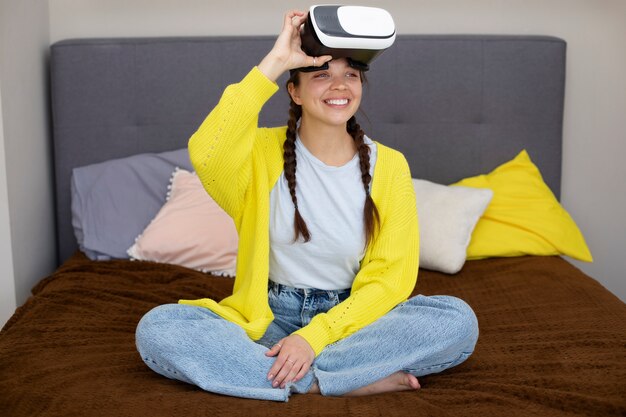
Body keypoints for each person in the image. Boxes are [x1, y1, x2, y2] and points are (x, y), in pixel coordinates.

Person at [135, 10, 478, 402]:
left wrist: (314, 338)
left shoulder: (390, 165)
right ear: (294, 91)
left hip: (352, 322)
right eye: (321, 74)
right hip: (269, 319)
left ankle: (283, 373)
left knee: (456, 321)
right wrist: (276, 63)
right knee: (158, 329)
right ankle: (327, 382)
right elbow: (207, 151)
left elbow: (390, 281)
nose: (340, 85)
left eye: (351, 74)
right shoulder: (260, 155)